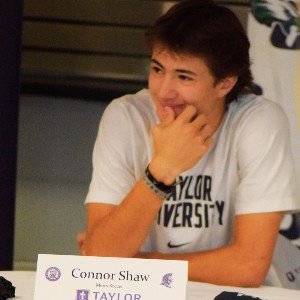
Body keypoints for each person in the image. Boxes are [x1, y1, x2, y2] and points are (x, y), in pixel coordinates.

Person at [78, 0, 299, 287]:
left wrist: (136, 262)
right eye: (158, 69)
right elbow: (101, 261)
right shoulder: (126, 116)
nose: (163, 91)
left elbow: (248, 267)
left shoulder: (260, 121)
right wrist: (161, 170)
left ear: (224, 84)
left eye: (184, 76)